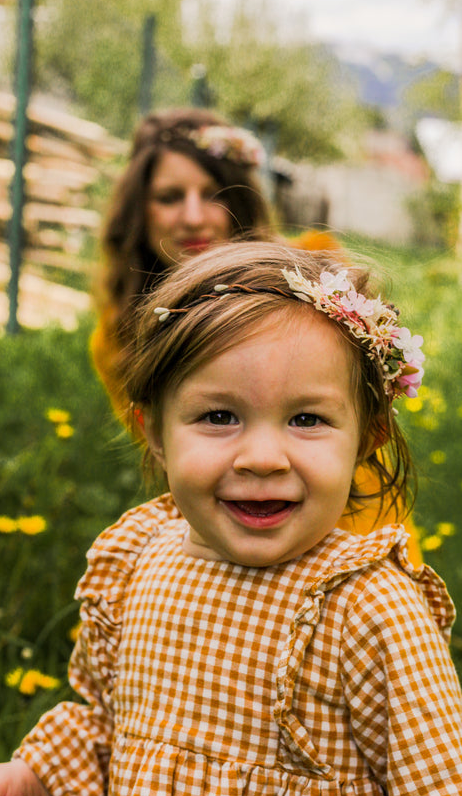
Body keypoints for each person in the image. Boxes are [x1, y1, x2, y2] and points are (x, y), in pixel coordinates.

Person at [0, 243, 462, 796]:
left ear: (369, 436)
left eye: (307, 419)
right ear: (154, 431)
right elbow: (112, 729)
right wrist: (35, 780)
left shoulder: (369, 610)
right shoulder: (138, 563)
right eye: (219, 416)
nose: (261, 457)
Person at [89, 107, 421, 561]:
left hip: (347, 516)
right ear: (138, 210)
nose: (192, 217)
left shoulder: (319, 281)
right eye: (169, 197)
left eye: (212, 194)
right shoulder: (119, 336)